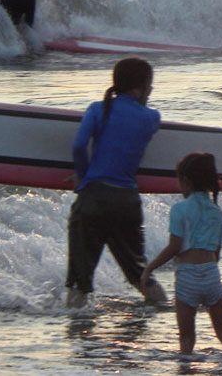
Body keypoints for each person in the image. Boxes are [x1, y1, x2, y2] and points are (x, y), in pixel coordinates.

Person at [65, 57, 167, 308]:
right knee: (141, 277)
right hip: (126, 202)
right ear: (143, 86)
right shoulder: (152, 117)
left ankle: (77, 337)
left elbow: (78, 145)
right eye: (150, 85)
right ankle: (166, 317)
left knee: (80, 282)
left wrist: (82, 176)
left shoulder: (97, 109)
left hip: (93, 200)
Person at [141, 153, 222, 355]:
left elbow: (174, 247)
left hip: (188, 276)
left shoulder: (180, 209)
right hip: (212, 275)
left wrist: (149, 268)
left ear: (185, 181)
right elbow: (216, 254)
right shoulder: (217, 212)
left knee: (187, 340)